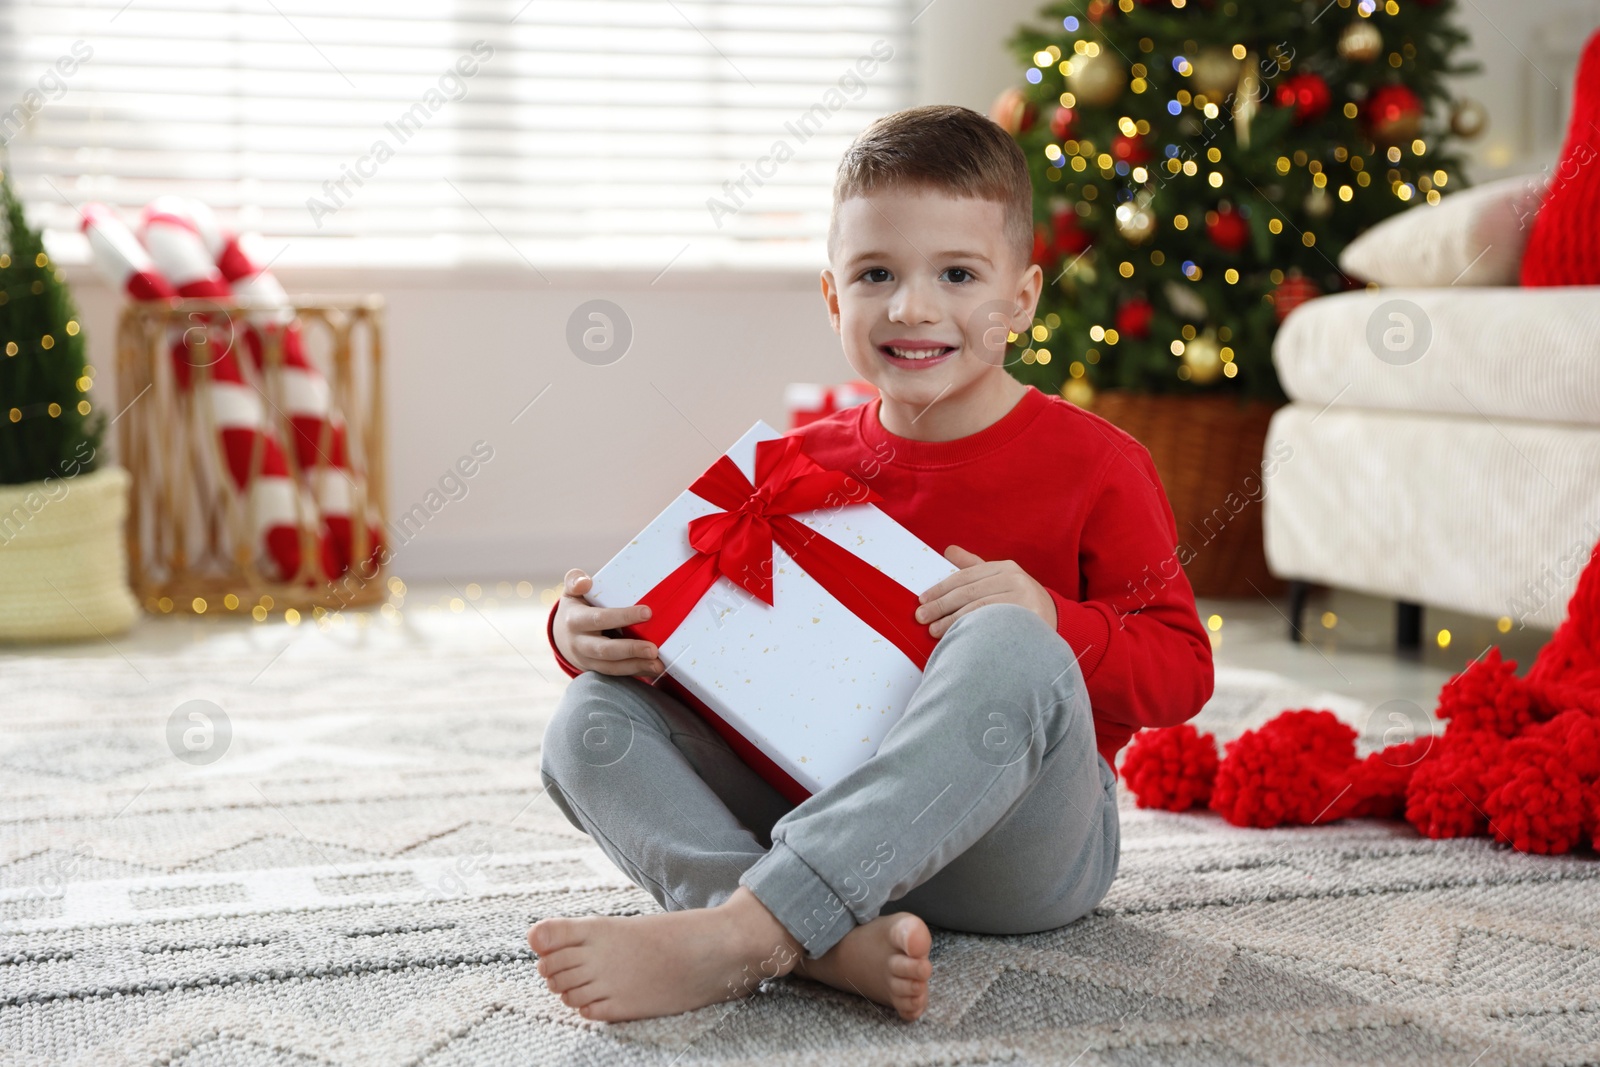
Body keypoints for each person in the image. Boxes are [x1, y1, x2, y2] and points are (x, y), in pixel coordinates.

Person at [528, 104, 1214, 1024]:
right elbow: (705, 634)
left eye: (959, 273)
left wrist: (1053, 618)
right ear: (832, 298)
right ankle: (822, 943)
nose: (913, 306)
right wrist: (582, 632)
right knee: (587, 723)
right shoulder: (793, 466)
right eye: (876, 273)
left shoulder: (1100, 465)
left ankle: (742, 933)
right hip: (821, 812)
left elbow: (1181, 674)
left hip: (1018, 854)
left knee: (1008, 640)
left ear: (1023, 297)